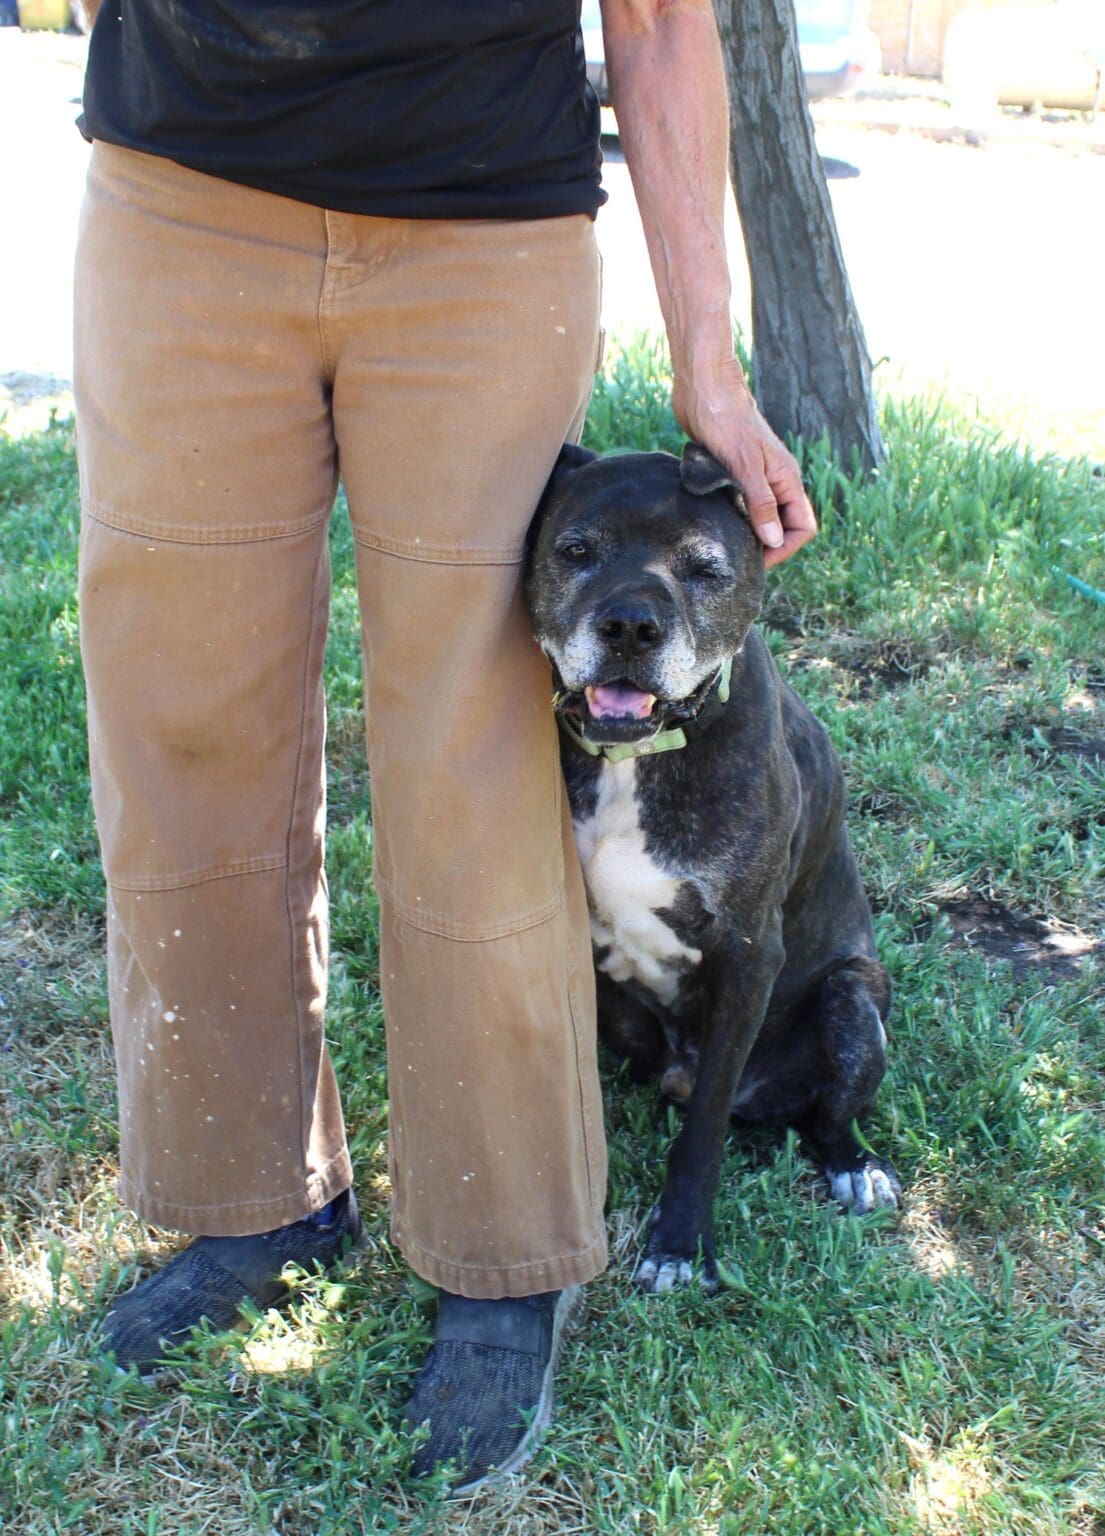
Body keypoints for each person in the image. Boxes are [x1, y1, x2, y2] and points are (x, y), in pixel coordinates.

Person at [75, 0, 816, 1493]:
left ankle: (498, 1253)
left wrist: (707, 366)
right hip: (183, 198)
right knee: (184, 719)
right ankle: (249, 1193)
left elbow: (662, 17)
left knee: (475, 749)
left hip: (482, 230)